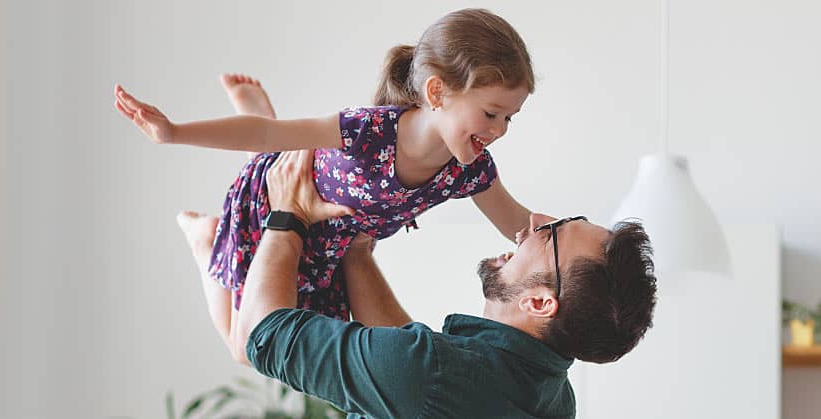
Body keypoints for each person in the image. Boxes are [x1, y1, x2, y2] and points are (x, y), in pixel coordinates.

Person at [114, 8, 542, 360]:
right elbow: (264, 136)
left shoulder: (469, 170)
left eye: (509, 117)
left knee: (277, 345)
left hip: (328, 249)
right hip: (273, 209)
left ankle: (265, 122)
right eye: (491, 114)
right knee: (247, 350)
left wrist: (599, 242)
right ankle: (205, 239)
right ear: (437, 92)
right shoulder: (369, 131)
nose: (500, 130)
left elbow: (522, 225)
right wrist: (173, 132)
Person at [174, 149, 659, 418]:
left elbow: (265, 335)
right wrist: (357, 254)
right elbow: (417, 379)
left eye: (552, 233)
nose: (535, 221)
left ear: (538, 302)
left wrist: (288, 214)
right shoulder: (551, 395)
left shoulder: (429, 374)